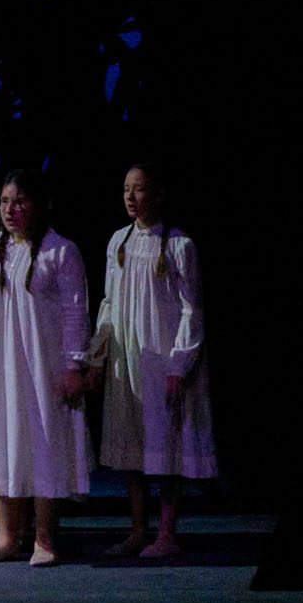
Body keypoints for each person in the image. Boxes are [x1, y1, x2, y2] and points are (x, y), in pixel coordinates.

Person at [0, 169, 91, 567]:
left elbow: (74, 314)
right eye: (4, 201)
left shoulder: (60, 251)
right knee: (0, 440)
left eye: (19, 201)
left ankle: (44, 538)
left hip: (40, 368)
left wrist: (72, 365)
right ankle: (6, 537)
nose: (10, 209)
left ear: (37, 204)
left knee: (42, 443)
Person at [89, 163, 213, 559]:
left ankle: (167, 532)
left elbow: (191, 310)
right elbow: (109, 302)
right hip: (129, 358)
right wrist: (98, 354)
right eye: (125, 188)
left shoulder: (179, 245)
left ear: (157, 194)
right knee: (133, 445)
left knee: (167, 446)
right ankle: (137, 529)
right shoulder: (118, 243)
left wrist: (180, 364)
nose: (129, 196)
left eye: (138, 189)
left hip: (162, 358)